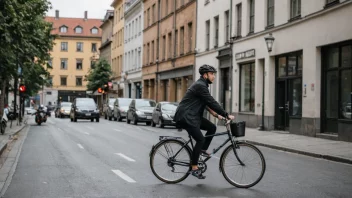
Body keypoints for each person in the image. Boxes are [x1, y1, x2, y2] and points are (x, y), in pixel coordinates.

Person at [173, 64, 235, 179]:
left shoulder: (202, 85)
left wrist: (218, 116)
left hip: (193, 116)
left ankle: (201, 150)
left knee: (212, 127)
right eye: (212, 74)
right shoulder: (201, 86)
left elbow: (206, 104)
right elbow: (211, 102)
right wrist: (226, 114)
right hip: (187, 117)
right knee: (200, 139)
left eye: (214, 74)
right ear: (205, 75)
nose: (214, 76)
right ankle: (194, 167)